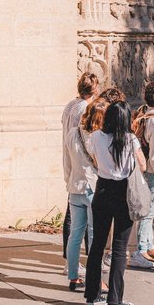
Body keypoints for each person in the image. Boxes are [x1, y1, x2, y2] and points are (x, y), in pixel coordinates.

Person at [84, 101, 147, 305]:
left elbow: (95, 160)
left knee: (97, 245)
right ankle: (115, 299)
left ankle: (93, 296)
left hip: (102, 190)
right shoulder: (130, 140)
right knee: (119, 247)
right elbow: (142, 164)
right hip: (123, 192)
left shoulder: (96, 137)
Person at [129, 81, 154, 268]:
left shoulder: (142, 114)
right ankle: (142, 249)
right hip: (153, 171)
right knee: (149, 212)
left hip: (143, 168)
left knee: (148, 210)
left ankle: (149, 244)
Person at [61, 72, 100, 261]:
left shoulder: (70, 105)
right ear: (95, 89)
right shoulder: (86, 107)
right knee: (83, 223)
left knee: (72, 216)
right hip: (83, 166)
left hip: (71, 160)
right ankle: (81, 260)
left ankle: (70, 259)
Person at [65, 100, 98, 291]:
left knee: (75, 235)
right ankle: (95, 279)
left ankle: (73, 276)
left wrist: (68, 180)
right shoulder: (96, 137)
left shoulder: (72, 133)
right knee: (94, 236)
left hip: (75, 186)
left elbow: (66, 160)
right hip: (92, 188)